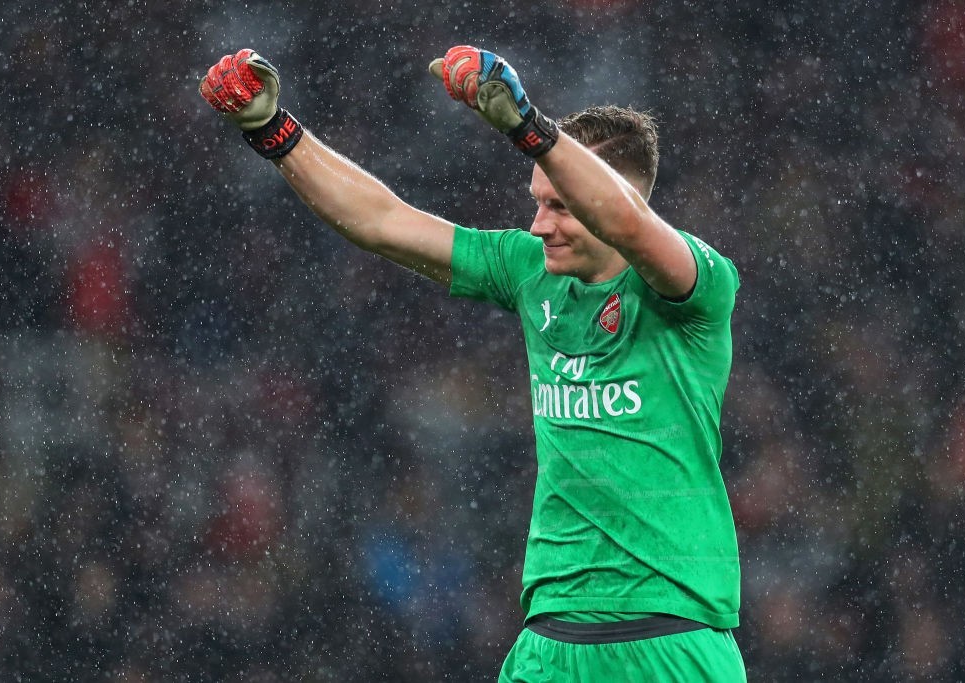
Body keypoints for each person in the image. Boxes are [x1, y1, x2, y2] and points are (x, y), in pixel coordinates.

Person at [200, 45, 747, 682]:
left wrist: (529, 128)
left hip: (671, 638)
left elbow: (627, 222)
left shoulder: (696, 286)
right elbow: (382, 222)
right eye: (537, 203)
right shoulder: (528, 272)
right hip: (550, 639)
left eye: (560, 206)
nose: (540, 225)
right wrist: (273, 131)